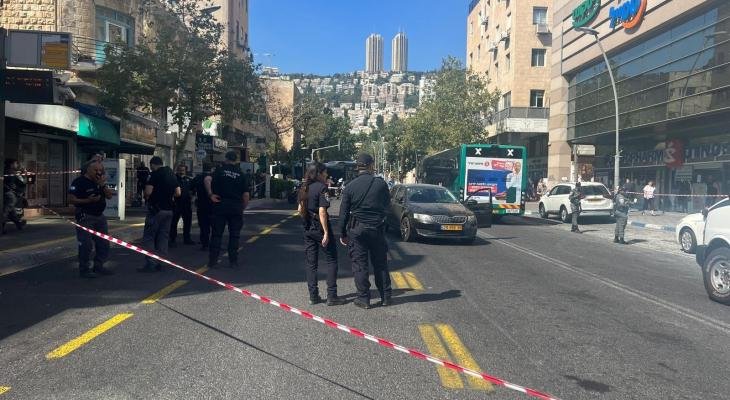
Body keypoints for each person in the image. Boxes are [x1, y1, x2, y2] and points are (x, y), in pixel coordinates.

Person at [338, 153, 392, 309]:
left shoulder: (350, 186)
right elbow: (387, 206)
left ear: (358, 167)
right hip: (377, 229)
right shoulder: (380, 184)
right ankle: (386, 297)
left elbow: (343, 213)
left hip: (357, 230)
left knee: (360, 265)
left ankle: (364, 299)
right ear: (371, 166)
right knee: (380, 264)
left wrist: (342, 233)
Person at [298, 162, 346, 306]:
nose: (327, 175)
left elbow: (300, 209)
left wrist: (307, 222)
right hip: (319, 227)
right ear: (318, 173)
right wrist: (325, 232)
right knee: (331, 259)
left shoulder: (304, 188)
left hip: (308, 228)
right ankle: (332, 295)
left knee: (311, 263)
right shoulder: (321, 188)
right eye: (325, 172)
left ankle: (313, 296)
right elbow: (322, 211)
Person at [68, 160, 114, 278]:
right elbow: (71, 199)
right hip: (85, 216)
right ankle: (84, 269)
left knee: (103, 243)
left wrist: (102, 185)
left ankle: (99, 265)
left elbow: (109, 196)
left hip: (99, 216)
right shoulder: (79, 182)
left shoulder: (99, 182)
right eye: (95, 170)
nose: (98, 173)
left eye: (100, 170)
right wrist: (88, 200)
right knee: (86, 244)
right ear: (88, 169)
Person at [205, 151, 250, 269]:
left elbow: (207, 179)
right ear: (236, 160)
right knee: (234, 235)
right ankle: (233, 261)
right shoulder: (241, 174)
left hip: (220, 205)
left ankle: (213, 261)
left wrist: (210, 194)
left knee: (216, 234)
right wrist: (242, 207)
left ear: (226, 159)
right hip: (235, 207)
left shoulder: (219, 170)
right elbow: (246, 195)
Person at [138, 156, 180, 273]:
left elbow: (148, 191)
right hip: (169, 210)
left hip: (156, 210)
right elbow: (178, 193)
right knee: (163, 237)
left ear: (153, 164)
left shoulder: (154, 175)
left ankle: (151, 263)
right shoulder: (171, 174)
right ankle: (162, 262)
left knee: (149, 237)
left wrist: (148, 197)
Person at [169, 164, 195, 247]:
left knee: (187, 222)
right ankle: (172, 239)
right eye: (179, 170)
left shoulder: (189, 180)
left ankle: (187, 238)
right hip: (176, 204)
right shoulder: (174, 179)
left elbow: (193, 190)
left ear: (185, 170)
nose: (181, 172)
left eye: (183, 170)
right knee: (174, 222)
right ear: (177, 170)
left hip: (186, 204)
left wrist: (192, 198)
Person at [192, 162, 213, 250]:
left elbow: (191, 189)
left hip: (201, 203)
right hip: (212, 204)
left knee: (203, 224)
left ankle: (204, 243)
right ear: (211, 169)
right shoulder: (214, 177)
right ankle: (214, 242)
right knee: (214, 224)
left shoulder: (198, 178)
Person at [3, 159, 28, 230]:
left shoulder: (5, 171)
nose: (16, 165)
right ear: (11, 165)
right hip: (10, 194)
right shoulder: (12, 172)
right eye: (15, 163)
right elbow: (22, 182)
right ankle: (2, 226)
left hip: (6, 193)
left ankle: (18, 223)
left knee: (11, 210)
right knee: (7, 210)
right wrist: (24, 175)